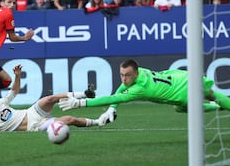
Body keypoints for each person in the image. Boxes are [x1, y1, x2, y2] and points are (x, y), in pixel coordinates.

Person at [59, 59, 230, 123]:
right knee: (188, 105)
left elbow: (111, 96)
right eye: (121, 74)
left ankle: (218, 105)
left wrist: (81, 102)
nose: (124, 79)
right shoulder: (141, 72)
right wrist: (113, 108)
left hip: (183, 93)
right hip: (182, 77)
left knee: (189, 105)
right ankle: (218, 106)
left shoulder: (139, 89)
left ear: (135, 73)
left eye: (127, 75)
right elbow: (121, 89)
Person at [0, 65, 105, 134]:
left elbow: (14, 91)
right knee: (70, 120)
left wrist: (17, 77)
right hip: (35, 125)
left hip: (31, 112)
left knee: (49, 98)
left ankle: (84, 94)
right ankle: (99, 122)